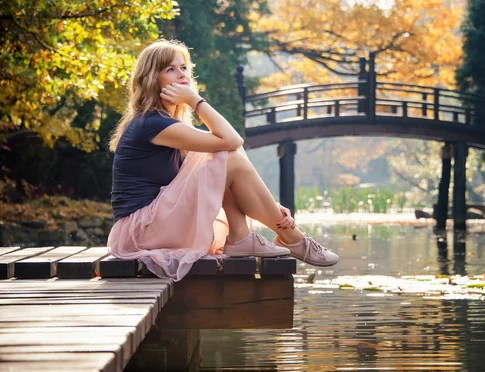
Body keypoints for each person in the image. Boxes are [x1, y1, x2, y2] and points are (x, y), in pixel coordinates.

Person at [107, 39, 338, 281]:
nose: (181, 74)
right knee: (227, 155)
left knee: (222, 156)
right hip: (141, 230)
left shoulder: (164, 123)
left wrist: (270, 204)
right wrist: (195, 100)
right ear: (153, 79)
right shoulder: (152, 123)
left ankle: (241, 238)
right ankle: (293, 238)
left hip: (153, 223)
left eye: (184, 67)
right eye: (170, 69)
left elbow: (223, 155)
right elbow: (233, 139)